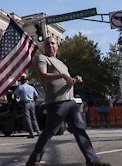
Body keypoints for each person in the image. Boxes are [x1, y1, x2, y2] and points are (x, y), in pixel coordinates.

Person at [26, 37, 110, 166]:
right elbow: (43, 75)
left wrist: (75, 79)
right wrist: (63, 76)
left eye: (53, 43)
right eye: (48, 44)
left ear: (57, 46)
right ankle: (33, 160)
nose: (51, 46)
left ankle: (92, 161)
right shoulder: (42, 58)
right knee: (49, 132)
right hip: (56, 102)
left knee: (80, 130)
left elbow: (68, 81)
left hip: (70, 102)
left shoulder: (61, 64)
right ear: (44, 47)